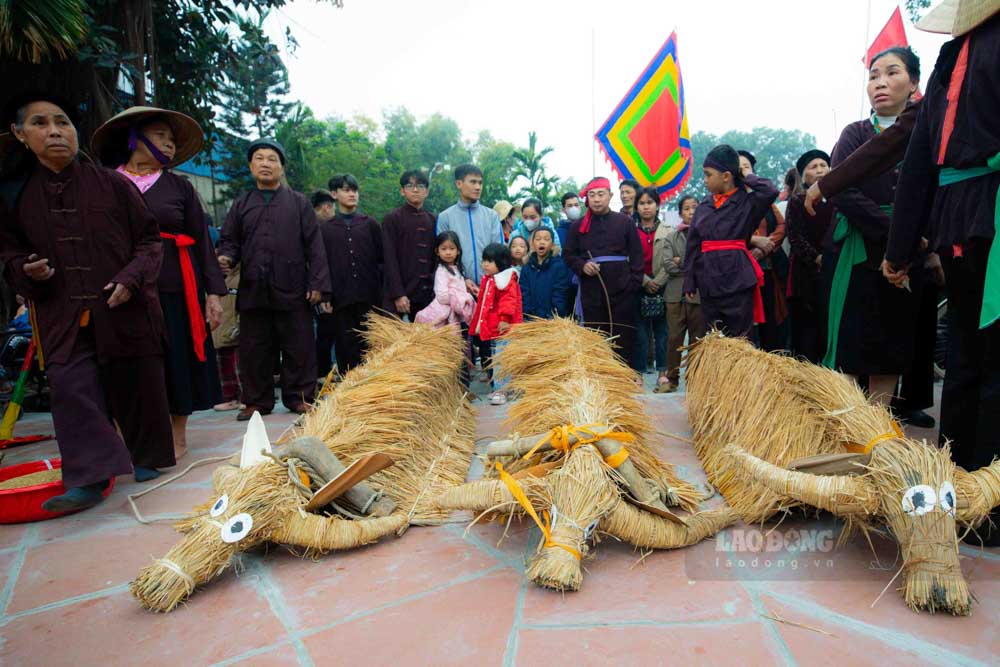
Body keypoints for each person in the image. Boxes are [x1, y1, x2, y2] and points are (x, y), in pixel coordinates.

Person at [0, 93, 173, 510]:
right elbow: (8, 252)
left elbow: (150, 240)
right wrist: (27, 269)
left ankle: (144, 456)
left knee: (135, 380)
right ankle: (90, 478)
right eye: (40, 123)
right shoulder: (13, 196)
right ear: (19, 135)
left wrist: (131, 279)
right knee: (69, 385)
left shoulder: (113, 184)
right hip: (59, 307)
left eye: (63, 122)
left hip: (120, 302)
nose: (55, 131)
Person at [883, 4, 1000, 541]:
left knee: (966, 355)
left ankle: (955, 492)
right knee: (988, 356)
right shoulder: (961, 51)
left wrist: (899, 249)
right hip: (985, 213)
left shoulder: (950, 53)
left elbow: (918, 164)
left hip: (958, 224)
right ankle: (991, 506)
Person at [91, 106, 227, 465]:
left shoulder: (179, 186)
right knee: (127, 362)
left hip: (175, 286)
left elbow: (201, 240)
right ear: (134, 139)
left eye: (171, 139)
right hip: (120, 289)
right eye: (160, 136)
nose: (168, 144)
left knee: (177, 358)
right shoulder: (105, 183)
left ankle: (176, 433)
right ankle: (126, 436)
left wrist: (212, 294)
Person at [822, 46, 924, 409]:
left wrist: (912, 243)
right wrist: (899, 230)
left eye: (892, 73)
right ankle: (845, 426)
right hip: (858, 250)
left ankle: (877, 426)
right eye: (873, 75)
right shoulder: (855, 133)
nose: (880, 83)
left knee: (891, 343)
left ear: (914, 83)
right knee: (851, 342)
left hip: (909, 254)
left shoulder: (924, 132)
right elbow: (841, 189)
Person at [218, 138, 330, 421]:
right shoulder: (242, 203)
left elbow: (314, 245)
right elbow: (230, 240)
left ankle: (300, 397)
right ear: (250, 166)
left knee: (299, 345)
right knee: (254, 347)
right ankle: (257, 401)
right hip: (254, 287)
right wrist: (226, 258)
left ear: (281, 168)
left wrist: (317, 284)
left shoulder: (299, 203)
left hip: (293, 287)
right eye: (259, 158)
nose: (265, 163)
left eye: (272, 159)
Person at [683, 145, 779, 338]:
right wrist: (689, 281)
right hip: (708, 279)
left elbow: (770, 190)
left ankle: (741, 369)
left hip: (738, 279)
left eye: (708, 175)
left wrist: (744, 174)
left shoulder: (748, 203)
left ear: (726, 176)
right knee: (713, 338)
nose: (705, 180)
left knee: (741, 337)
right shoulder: (704, 206)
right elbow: (693, 245)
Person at [564, 177, 644, 363]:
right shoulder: (577, 227)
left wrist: (633, 284)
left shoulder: (624, 222)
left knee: (623, 336)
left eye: (601, 194)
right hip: (591, 291)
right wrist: (582, 266)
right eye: (592, 195)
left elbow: (637, 257)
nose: (597, 199)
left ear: (610, 195)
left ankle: (624, 380)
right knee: (595, 337)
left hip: (622, 289)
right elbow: (568, 255)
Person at [320, 173, 383, 375]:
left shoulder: (369, 224)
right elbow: (322, 265)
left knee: (371, 346)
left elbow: (382, 260)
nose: (352, 194)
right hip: (341, 299)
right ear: (334, 194)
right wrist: (325, 295)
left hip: (370, 297)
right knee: (345, 346)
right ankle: (350, 394)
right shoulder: (325, 229)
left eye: (354, 190)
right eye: (346, 190)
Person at [785, 149, 834, 364]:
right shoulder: (797, 201)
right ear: (803, 174)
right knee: (806, 331)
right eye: (813, 167)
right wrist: (816, 258)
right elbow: (794, 236)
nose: (820, 170)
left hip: (833, 269)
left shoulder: (839, 199)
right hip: (804, 274)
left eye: (823, 165)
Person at [738, 150, 789, 351]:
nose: (742, 171)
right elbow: (725, 233)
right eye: (738, 168)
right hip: (741, 270)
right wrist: (752, 240)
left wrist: (766, 246)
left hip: (768, 270)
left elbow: (781, 226)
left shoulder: (765, 199)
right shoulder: (728, 201)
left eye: (746, 167)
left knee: (771, 319)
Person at [437, 164, 504, 295]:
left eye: (480, 183)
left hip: (490, 288)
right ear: (459, 183)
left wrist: (489, 281)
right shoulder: (445, 217)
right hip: (457, 290)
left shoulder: (492, 216)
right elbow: (444, 256)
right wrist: (462, 279)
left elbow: (500, 254)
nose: (478, 187)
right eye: (473, 182)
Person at [469, 243, 523, 405]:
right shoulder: (491, 279)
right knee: (497, 357)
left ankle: (502, 390)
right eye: (484, 260)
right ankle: (503, 388)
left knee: (502, 359)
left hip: (504, 327)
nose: (485, 264)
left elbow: (509, 301)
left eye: (490, 261)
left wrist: (505, 319)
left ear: (501, 262)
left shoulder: (505, 280)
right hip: (495, 326)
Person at [662, 194, 705, 392]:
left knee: (698, 339)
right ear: (680, 213)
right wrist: (690, 263)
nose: (691, 212)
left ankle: (695, 381)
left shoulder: (705, 234)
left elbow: (705, 263)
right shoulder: (671, 236)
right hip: (674, 295)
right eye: (687, 208)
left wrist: (682, 261)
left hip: (697, 293)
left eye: (695, 207)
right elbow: (669, 265)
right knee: (674, 339)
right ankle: (672, 378)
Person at [382, 169, 437, 320]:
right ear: (402, 191)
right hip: (400, 294)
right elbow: (389, 259)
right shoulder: (392, 219)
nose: (415, 190)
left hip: (427, 295)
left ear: (426, 191)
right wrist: (398, 294)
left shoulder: (432, 220)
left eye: (420, 186)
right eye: (409, 185)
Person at [632, 187, 670, 389]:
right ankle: (637, 373)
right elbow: (628, 259)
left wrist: (659, 281)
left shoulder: (668, 230)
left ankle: (663, 372)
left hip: (663, 286)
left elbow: (673, 260)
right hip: (638, 285)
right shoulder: (630, 230)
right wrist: (645, 280)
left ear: (657, 205)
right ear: (636, 207)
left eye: (650, 203)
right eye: (642, 203)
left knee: (662, 332)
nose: (646, 207)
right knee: (639, 332)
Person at [415, 231, 475, 327]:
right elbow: (442, 296)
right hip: (445, 314)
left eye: (452, 248)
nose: (448, 252)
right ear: (437, 252)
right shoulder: (441, 271)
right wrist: (460, 298)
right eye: (444, 249)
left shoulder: (458, 269)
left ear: (458, 251)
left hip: (455, 311)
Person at [520, 227, 571, 319]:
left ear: (552, 244)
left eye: (546, 239)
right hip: (530, 321)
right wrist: (527, 316)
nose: (542, 242)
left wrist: (555, 316)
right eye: (538, 239)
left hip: (552, 320)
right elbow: (524, 295)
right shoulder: (527, 268)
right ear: (532, 244)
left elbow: (560, 294)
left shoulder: (559, 266)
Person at [212, 254, 242, 411]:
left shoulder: (240, 276)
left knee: (239, 366)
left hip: (235, 330)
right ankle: (230, 398)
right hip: (218, 330)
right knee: (224, 366)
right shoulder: (213, 278)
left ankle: (244, 397)